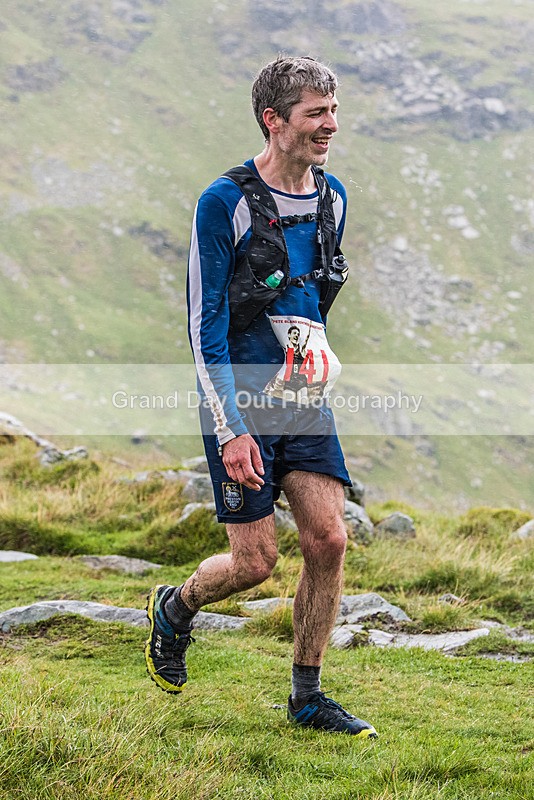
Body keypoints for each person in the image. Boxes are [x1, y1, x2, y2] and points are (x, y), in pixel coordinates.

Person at [145, 56, 377, 739]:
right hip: (239, 402)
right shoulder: (225, 202)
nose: (330, 125)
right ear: (274, 120)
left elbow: (311, 299)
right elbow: (205, 326)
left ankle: (307, 696)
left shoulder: (333, 197)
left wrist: (313, 355)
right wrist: (231, 429)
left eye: (333, 111)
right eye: (315, 113)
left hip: (302, 396)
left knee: (329, 540)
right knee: (254, 563)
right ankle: (175, 607)